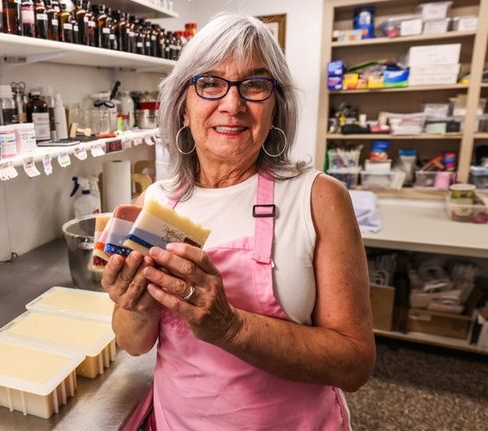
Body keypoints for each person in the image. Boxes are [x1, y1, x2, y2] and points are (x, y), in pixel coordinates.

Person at [101, 13, 376, 430]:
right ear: (183, 106)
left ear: (275, 105)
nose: (232, 105)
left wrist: (229, 326)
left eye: (254, 85)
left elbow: (354, 364)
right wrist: (132, 304)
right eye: (209, 83)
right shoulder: (157, 202)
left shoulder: (318, 198)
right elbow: (134, 343)